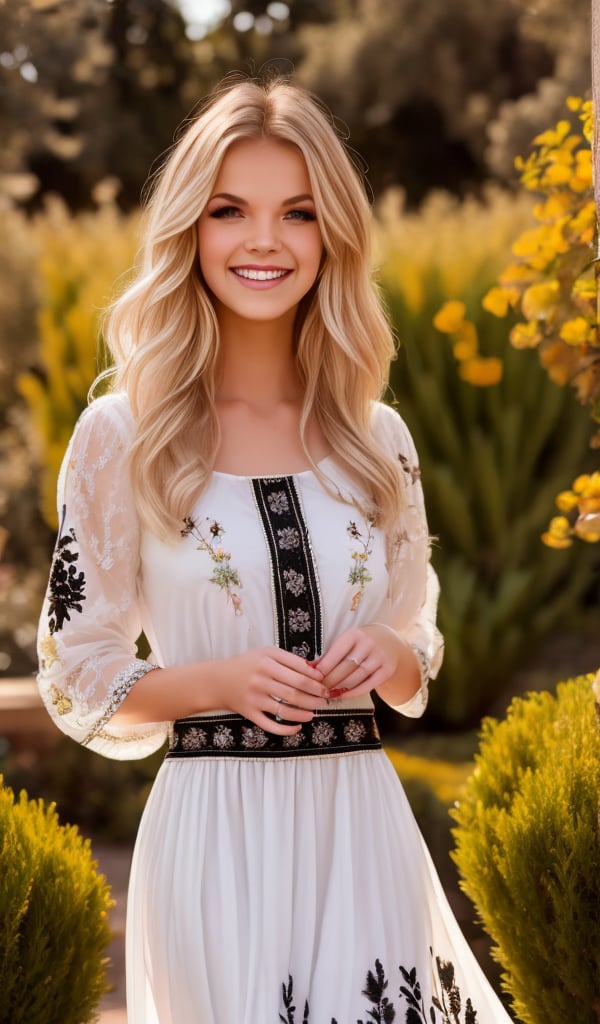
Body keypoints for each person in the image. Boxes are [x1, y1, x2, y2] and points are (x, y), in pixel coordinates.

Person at [37, 75, 512, 1024]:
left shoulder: (380, 441)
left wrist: (396, 655)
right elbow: (73, 674)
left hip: (362, 832)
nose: (265, 240)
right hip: (215, 845)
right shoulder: (120, 435)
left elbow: (418, 636)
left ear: (332, 235)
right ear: (191, 231)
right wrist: (216, 683)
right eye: (230, 210)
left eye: (297, 212)